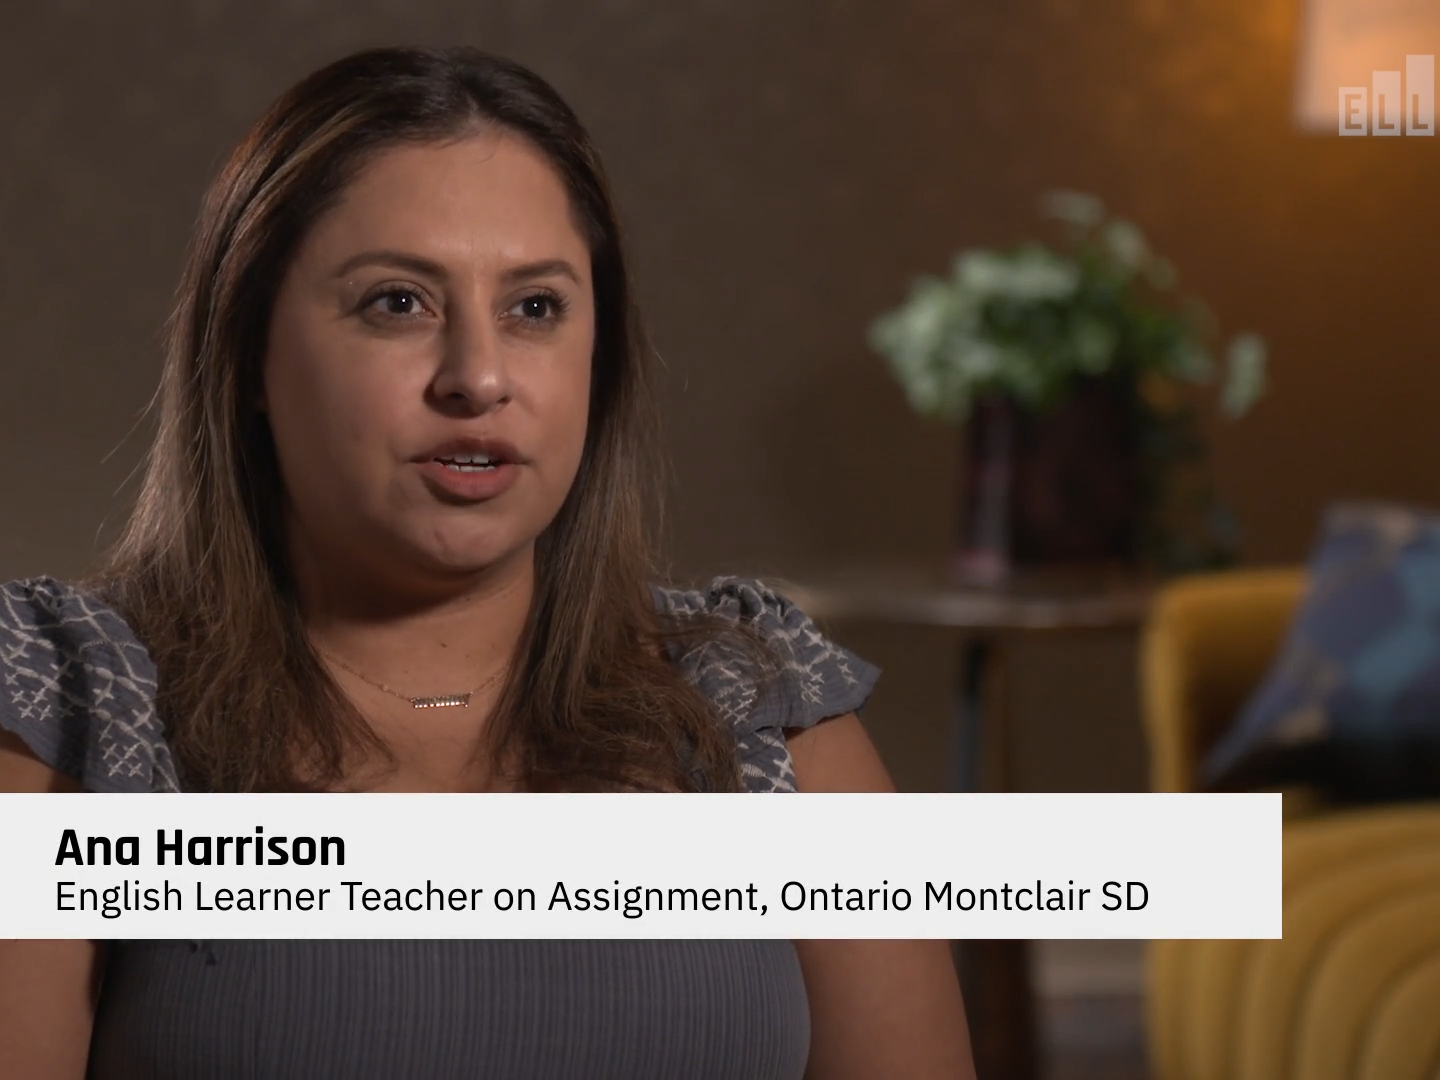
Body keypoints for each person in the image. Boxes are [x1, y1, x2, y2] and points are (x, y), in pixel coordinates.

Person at [0, 46, 974, 1079]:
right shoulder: (75, 706)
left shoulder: (755, 704)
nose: (478, 376)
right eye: (397, 303)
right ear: (247, 356)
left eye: (535, 307)